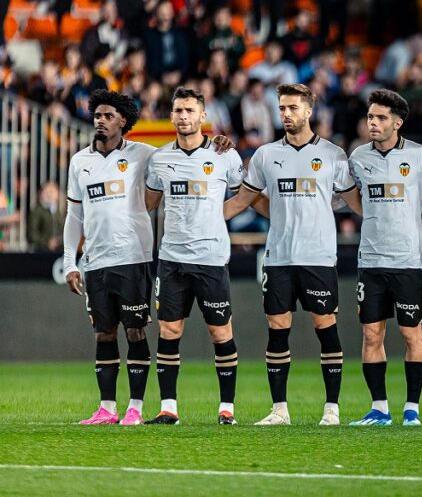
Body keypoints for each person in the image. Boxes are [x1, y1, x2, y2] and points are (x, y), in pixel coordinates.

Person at [224, 83, 361, 426]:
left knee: (325, 327)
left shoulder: (333, 154)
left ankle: (332, 409)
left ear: (309, 110)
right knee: (277, 328)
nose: (286, 114)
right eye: (282, 108)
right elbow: (243, 200)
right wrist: (204, 216)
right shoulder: (266, 155)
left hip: (318, 256)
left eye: (293, 108)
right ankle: (279, 410)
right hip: (278, 257)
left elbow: (357, 204)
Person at [142, 87, 244, 426]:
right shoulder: (159, 160)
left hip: (211, 258)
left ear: (203, 116)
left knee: (220, 333)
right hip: (171, 259)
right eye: (178, 111)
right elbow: (149, 204)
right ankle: (168, 408)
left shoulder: (225, 155)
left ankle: (227, 408)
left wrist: (217, 217)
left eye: (190, 110)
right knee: (169, 330)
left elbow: (245, 196)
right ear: (171, 116)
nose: (183, 116)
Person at [346, 89, 422, 427]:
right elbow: (351, 194)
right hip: (371, 261)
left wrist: (412, 199)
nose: (373, 122)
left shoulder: (421, 156)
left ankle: (412, 409)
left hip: (407, 260)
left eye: (381, 117)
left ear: (397, 123)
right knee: (372, 334)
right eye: (370, 116)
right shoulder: (358, 157)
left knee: (411, 333)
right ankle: (379, 409)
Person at [63, 90, 155, 426]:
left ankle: (135, 408)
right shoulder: (80, 161)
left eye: (108, 116)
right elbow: (74, 215)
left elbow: (182, 156)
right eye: (97, 115)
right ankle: (106, 408)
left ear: (123, 122)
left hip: (133, 259)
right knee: (104, 334)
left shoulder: (143, 155)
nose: (100, 121)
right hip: (95, 262)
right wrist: (70, 262)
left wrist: (216, 145)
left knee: (135, 332)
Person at [28, 181, 62, 252]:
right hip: (41, 251)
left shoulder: (60, 211)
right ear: (40, 194)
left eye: (52, 191)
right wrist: (46, 242)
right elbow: (32, 234)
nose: (49, 194)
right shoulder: (36, 211)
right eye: (46, 192)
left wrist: (59, 241)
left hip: (59, 250)